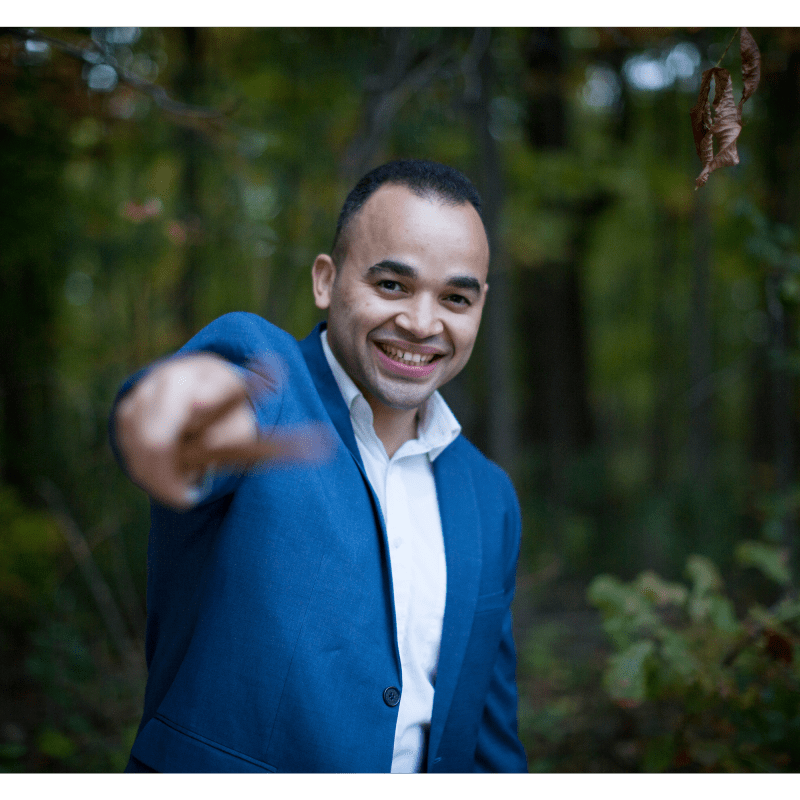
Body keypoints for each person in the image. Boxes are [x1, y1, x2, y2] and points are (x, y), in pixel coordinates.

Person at [112, 159, 528, 773]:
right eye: (391, 285)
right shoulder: (269, 383)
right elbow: (196, 411)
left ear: (480, 306)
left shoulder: (489, 496)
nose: (421, 322)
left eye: (455, 298)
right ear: (327, 281)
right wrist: (174, 410)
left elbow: (488, 740)